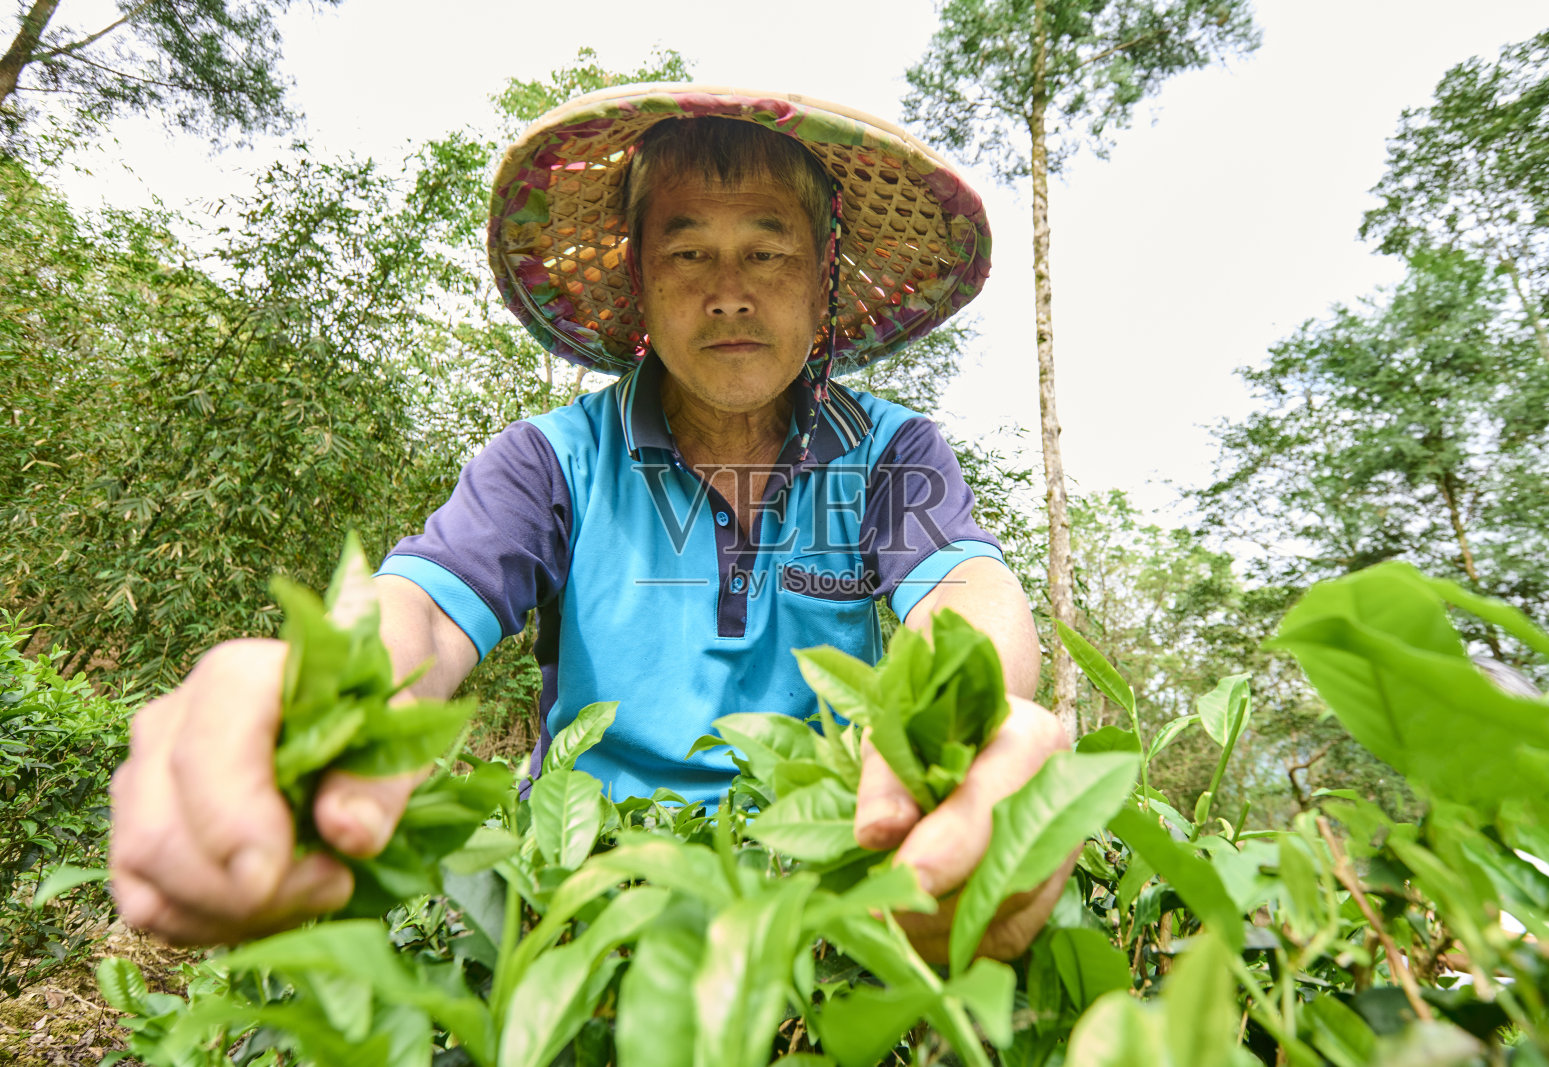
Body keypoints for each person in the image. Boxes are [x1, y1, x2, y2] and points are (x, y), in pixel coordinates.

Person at [109, 85, 1072, 963]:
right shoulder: (553, 460)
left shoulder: (890, 452)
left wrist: (971, 717)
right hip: (580, 895)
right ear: (639, 281)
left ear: (822, 279)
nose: (729, 290)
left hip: (815, 885)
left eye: (768, 250)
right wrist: (329, 697)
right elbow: (429, 611)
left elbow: (963, 589)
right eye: (687, 252)